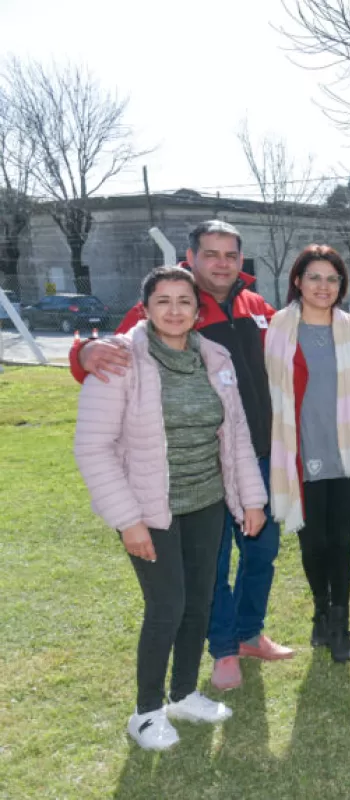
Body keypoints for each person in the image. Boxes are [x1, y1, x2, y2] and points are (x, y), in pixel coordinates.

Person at [71, 220, 295, 691]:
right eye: (211, 254)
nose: (221, 263)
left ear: (240, 260)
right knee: (211, 568)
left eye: (230, 255)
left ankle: (250, 632)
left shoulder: (256, 305)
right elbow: (116, 352)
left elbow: (296, 335)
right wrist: (85, 351)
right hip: (201, 467)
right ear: (190, 258)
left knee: (262, 553)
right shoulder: (174, 302)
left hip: (256, 454)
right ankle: (224, 649)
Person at [264, 245, 350, 664]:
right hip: (299, 450)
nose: (323, 286)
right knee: (314, 542)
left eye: (332, 279)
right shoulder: (276, 329)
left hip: (348, 451)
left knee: (342, 540)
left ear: (341, 285)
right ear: (297, 281)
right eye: (314, 277)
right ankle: (321, 610)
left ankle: (341, 622)